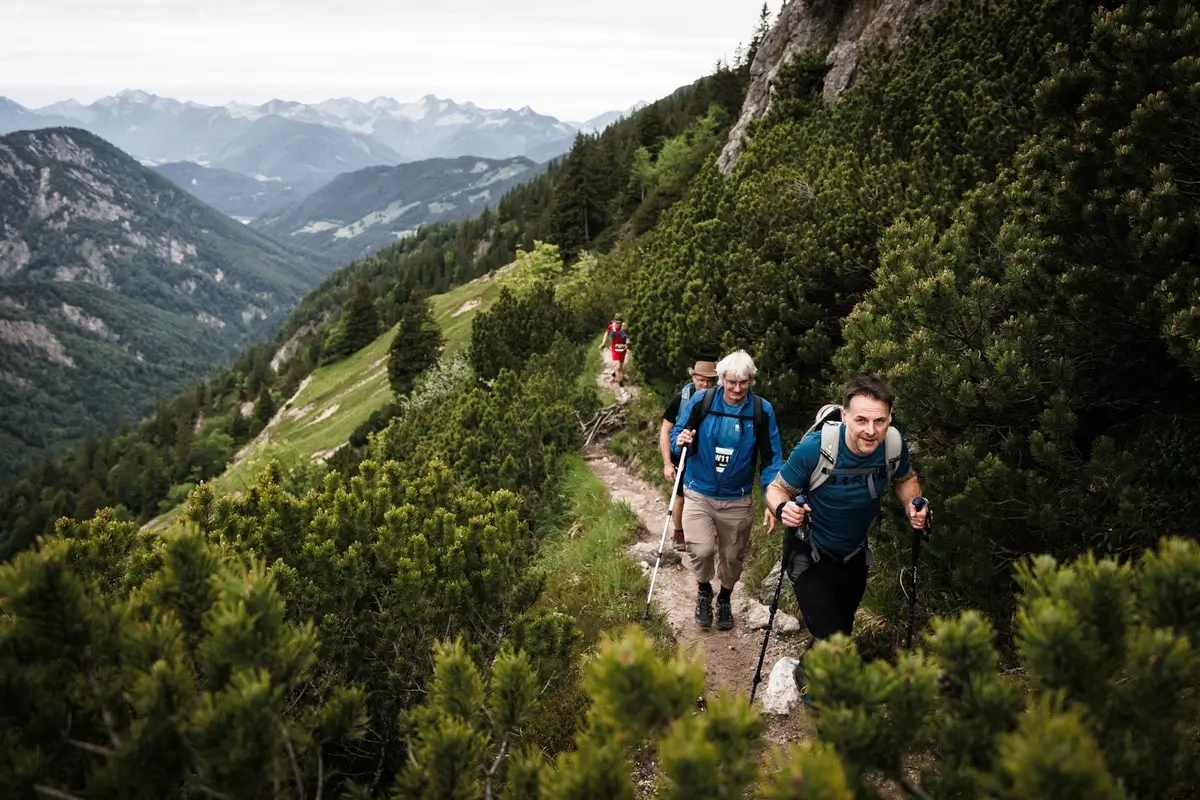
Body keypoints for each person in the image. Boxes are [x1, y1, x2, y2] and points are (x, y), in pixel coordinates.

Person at [764, 374, 930, 698]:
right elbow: (777, 488)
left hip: (853, 555)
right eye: (861, 420)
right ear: (844, 416)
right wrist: (784, 508)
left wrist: (913, 504)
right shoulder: (815, 448)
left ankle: (805, 668)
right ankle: (822, 706)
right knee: (834, 640)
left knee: (840, 628)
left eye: (880, 421)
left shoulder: (893, 445)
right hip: (808, 552)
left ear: (890, 418)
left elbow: (905, 478)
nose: (871, 430)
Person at [670, 350, 783, 631]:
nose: (737, 388)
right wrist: (679, 440)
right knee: (701, 549)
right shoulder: (702, 401)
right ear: (721, 379)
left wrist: (773, 498)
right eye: (731, 382)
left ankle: (724, 598)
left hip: (737, 497)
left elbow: (771, 460)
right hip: (699, 491)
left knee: (733, 558)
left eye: (743, 382)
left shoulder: (761, 410)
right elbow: (677, 434)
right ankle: (703, 589)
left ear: (751, 381)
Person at [659, 360, 718, 550]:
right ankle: (679, 533)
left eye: (709, 381)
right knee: (681, 496)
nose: (705, 384)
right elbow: (665, 431)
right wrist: (667, 463)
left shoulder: (719, 399)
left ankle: (707, 535)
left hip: (706, 456)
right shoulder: (681, 399)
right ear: (693, 378)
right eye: (701, 380)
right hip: (683, 454)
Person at [598, 313, 629, 385]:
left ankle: (615, 374)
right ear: (614, 321)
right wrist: (603, 343)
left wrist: (628, 341)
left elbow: (628, 336)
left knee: (620, 367)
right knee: (618, 367)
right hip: (614, 348)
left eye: (620, 323)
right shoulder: (611, 327)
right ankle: (621, 386)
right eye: (617, 322)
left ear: (622, 322)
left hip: (623, 349)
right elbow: (606, 333)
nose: (618, 324)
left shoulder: (624, 327)